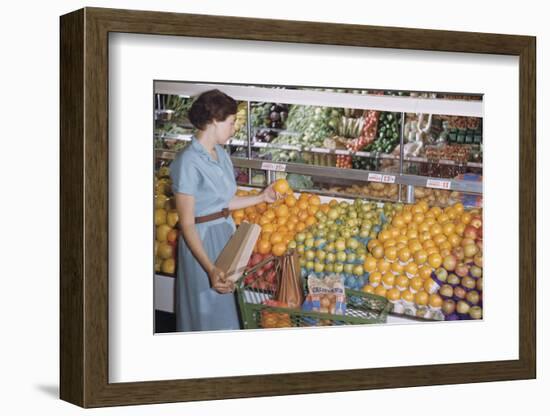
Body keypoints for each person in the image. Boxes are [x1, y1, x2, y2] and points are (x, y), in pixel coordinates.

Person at [170, 89, 278, 332]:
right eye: (230, 123)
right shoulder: (187, 162)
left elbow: (225, 203)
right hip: (202, 244)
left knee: (228, 313)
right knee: (206, 315)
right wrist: (210, 268)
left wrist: (262, 197)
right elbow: (187, 224)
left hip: (225, 237)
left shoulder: (220, 154)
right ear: (214, 122)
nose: (233, 128)